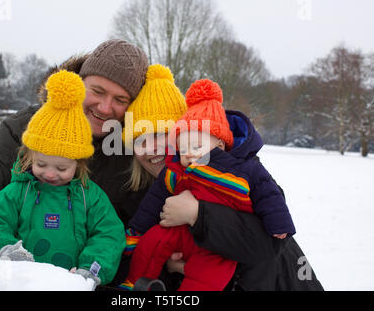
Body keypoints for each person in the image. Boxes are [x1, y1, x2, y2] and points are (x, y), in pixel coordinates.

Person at [0, 39, 149, 277]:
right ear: (78, 83)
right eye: (97, 91)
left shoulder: (135, 149)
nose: (106, 108)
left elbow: (136, 221)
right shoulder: (27, 127)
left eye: (120, 100)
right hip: (15, 276)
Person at [121, 79, 296, 290]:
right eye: (140, 140)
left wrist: (197, 214)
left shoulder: (245, 171)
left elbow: (268, 242)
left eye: (161, 134)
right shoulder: (162, 179)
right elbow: (148, 214)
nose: (152, 148)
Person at [0, 70, 125, 288]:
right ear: (29, 156)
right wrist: (7, 250)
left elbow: (109, 234)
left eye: (62, 168)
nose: (50, 174)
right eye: (41, 164)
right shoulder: (18, 192)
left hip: (70, 284)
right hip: (21, 283)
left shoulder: (89, 196)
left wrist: (91, 269)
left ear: (79, 163)